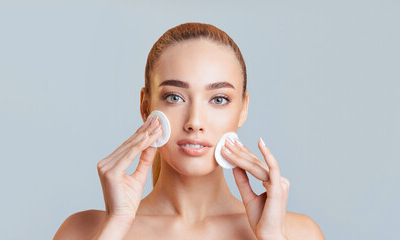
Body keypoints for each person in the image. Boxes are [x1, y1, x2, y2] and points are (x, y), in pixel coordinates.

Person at [54, 22, 325, 240]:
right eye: (175, 97)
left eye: (219, 99)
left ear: (243, 109)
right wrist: (116, 225)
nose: (195, 121)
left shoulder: (299, 234)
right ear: (146, 106)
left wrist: (272, 237)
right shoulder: (82, 232)